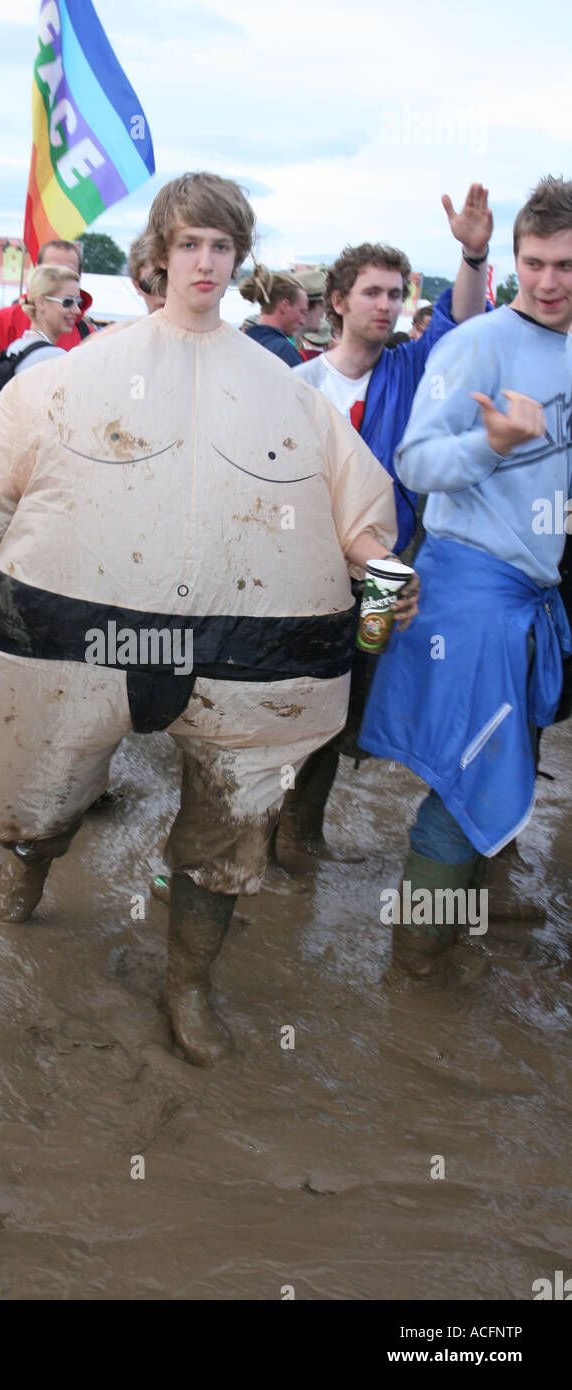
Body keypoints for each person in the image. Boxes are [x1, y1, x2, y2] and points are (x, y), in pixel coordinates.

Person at [0, 171, 413, 1069]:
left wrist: (388, 588)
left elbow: (363, 520)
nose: (206, 261)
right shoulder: (77, 377)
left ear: (240, 259)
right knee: (42, 779)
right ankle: (26, 867)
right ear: (159, 255)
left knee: (229, 826)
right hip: (76, 639)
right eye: (190, 243)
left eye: (222, 246)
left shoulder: (291, 400)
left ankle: (188, 984)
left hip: (247, 657)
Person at [358, 175, 572, 982]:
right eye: (535, 262)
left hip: (533, 597)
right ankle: (413, 972)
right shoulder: (476, 343)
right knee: (462, 781)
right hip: (468, 592)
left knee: (496, 767)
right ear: (515, 260)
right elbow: (413, 461)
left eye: (565, 265)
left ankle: (450, 938)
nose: (549, 282)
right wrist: (491, 446)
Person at [275, 184, 494, 871]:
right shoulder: (299, 384)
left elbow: (458, 323)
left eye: (397, 294)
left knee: (350, 704)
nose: (387, 305)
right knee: (296, 704)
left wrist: (474, 252)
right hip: (302, 571)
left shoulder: (410, 367)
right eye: (373, 292)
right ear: (338, 300)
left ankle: (302, 836)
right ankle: (274, 837)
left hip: (383, 571)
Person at [0, 240, 94, 380]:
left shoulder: (87, 334)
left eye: (68, 271)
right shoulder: (1, 322)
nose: (61, 276)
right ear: (37, 272)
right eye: (52, 272)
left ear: (79, 275)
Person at [238, 268, 308, 366]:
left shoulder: (240, 343)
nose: (303, 321)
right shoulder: (285, 352)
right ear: (285, 306)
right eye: (302, 312)